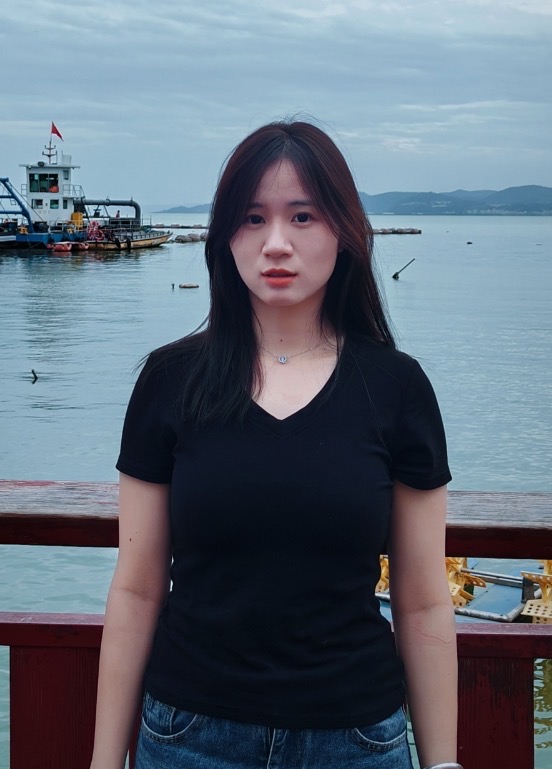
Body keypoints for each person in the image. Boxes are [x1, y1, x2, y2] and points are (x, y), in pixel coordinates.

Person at [90, 120, 459, 769]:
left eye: (303, 216)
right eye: (253, 218)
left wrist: (443, 762)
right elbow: (137, 589)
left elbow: (424, 601)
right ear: (225, 236)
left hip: (357, 739)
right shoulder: (171, 381)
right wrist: (103, 760)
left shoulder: (396, 387)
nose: (277, 243)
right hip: (189, 738)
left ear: (344, 231)